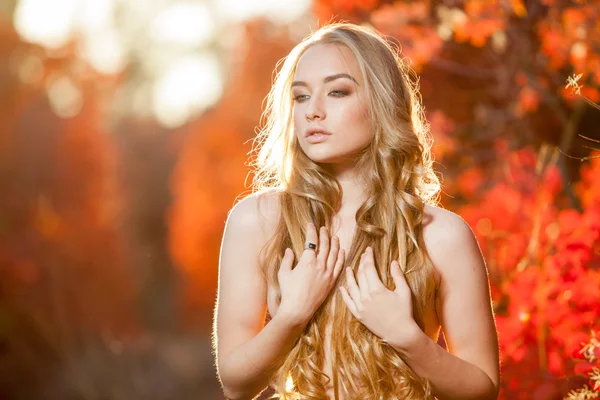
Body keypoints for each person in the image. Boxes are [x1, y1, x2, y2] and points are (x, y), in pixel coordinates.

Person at [213, 22, 500, 400]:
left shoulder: (442, 234)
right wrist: (291, 316)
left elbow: (482, 389)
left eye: (337, 92)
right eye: (300, 97)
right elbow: (236, 384)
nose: (313, 111)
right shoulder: (257, 221)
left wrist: (408, 338)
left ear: (381, 103)